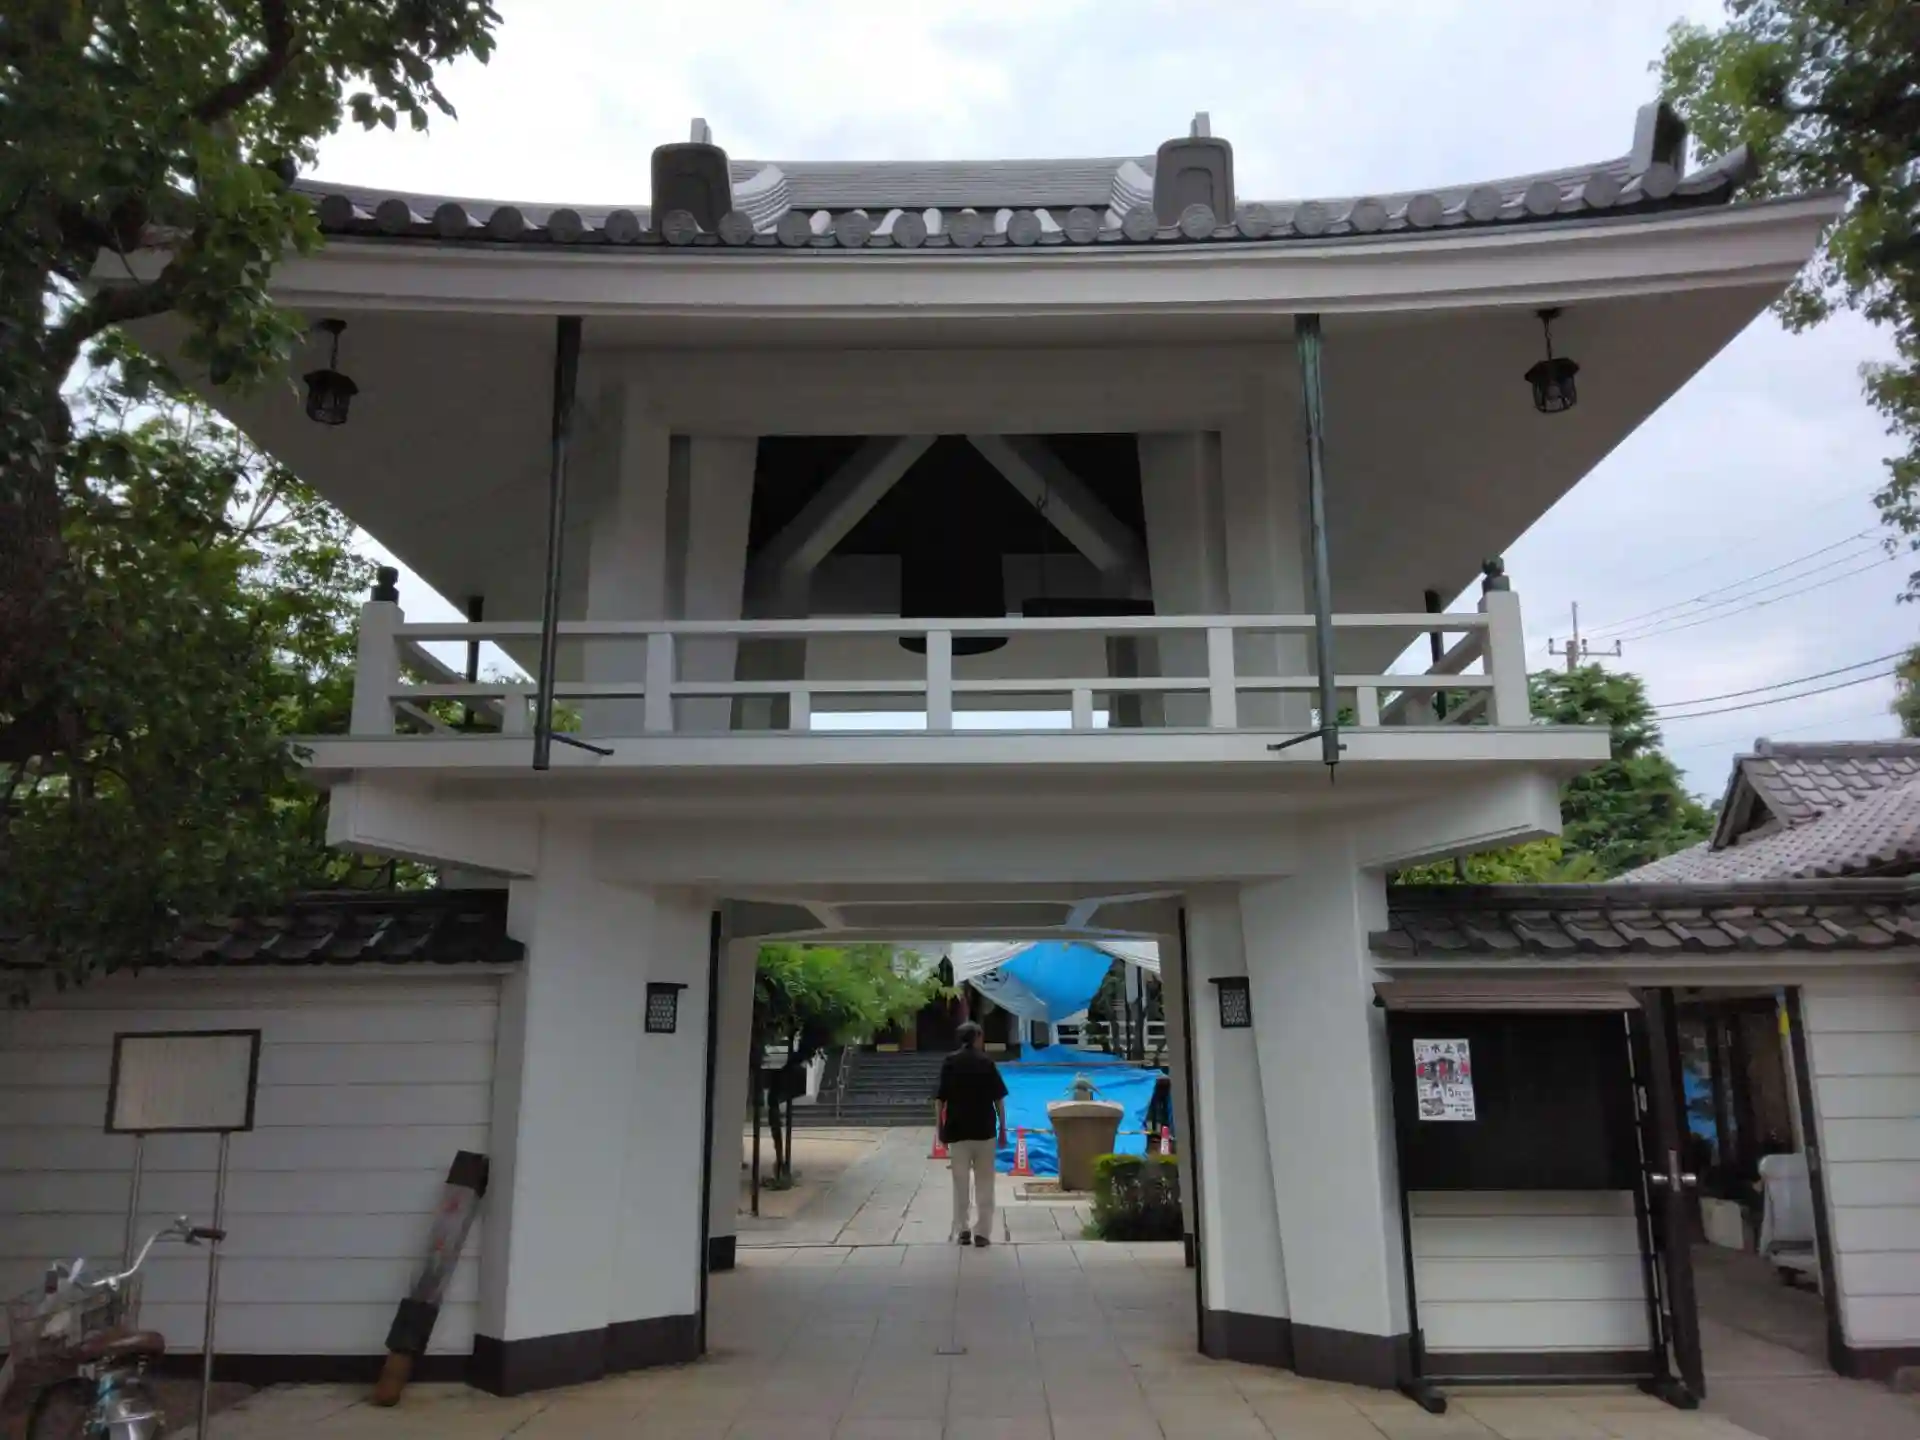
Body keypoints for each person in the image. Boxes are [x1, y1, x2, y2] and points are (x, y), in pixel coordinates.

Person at [935, 1021, 1009, 1247]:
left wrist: (940, 1129)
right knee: (985, 1183)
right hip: (984, 1130)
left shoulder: (950, 1062)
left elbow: (940, 1099)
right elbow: (998, 1100)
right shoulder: (987, 1062)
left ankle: (963, 1228)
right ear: (977, 1037)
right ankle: (983, 1232)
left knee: (960, 1183)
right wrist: (1003, 1128)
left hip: (957, 1131)